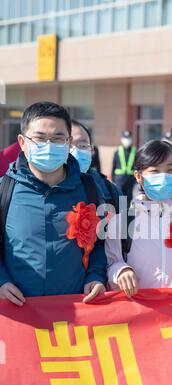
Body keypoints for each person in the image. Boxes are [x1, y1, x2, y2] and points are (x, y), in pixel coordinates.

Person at [0, 101, 110, 307]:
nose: (48, 146)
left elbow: (101, 244)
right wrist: (1, 282)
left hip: (73, 315)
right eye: (40, 138)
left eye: (58, 139)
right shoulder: (5, 190)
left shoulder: (90, 189)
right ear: (22, 143)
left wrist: (96, 276)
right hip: (19, 314)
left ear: (68, 144)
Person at [105, 139, 172, 297]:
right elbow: (110, 264)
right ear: (139, 176)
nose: (163, 177)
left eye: (170, 170)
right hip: (141, 314)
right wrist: (120, 271)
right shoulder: (121, 222)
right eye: (154, 171)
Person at [71, 119, 121, 206]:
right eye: (69, 145)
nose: (75, 151)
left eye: (82, 145)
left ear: (91, 150)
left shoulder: (111, 190)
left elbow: (125, 217)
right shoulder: (44, 190)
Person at [112, 130, 137, 206]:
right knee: (119, 197)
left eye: (129, 138)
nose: (127, 140)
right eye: (125, 138)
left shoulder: (134, 151)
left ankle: (126, 216)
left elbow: (137, 166)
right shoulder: (117, 151)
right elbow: (114, 166)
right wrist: (113, 178)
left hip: (130, 179)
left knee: (128, 198)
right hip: (119, 179)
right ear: (122, 139)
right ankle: (120, 215)